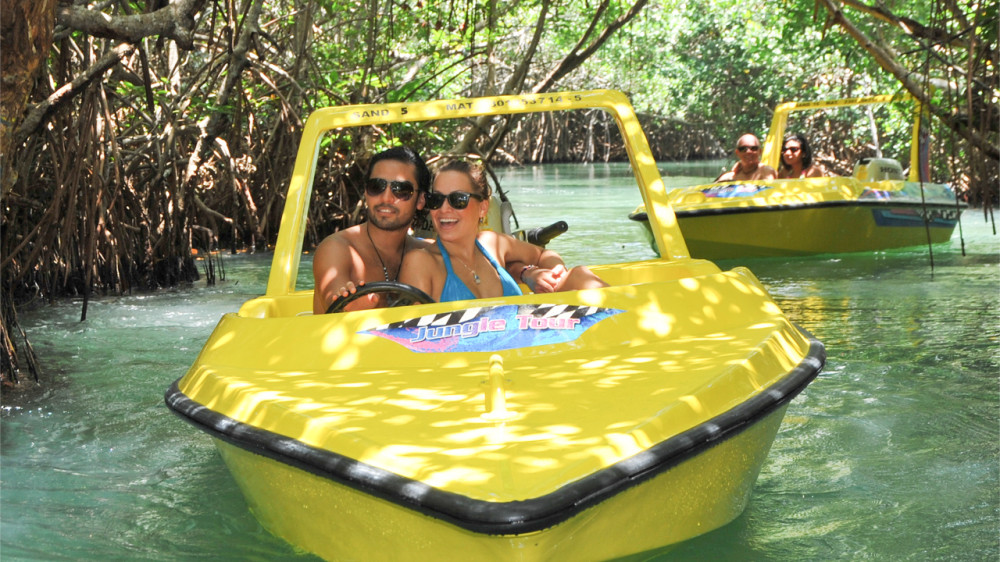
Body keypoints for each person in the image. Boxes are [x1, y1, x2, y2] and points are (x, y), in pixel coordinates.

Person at [398, 160, 607, 302]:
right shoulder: (420, 263)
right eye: (437, 200)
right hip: (469, 364)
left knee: (580, 275)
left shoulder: (492, 243)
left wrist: (555, 275)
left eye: (458, 200)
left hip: (525, 351)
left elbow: (544, 254)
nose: (444, 209)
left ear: (483, 208)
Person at [312, 146, 433, 314]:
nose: (386, 198)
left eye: (401, 190)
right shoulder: (338, 249)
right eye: (377, 186)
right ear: (366, 193)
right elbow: (334, 302)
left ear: (420, 200)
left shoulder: (428, 254)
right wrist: (349, 307)